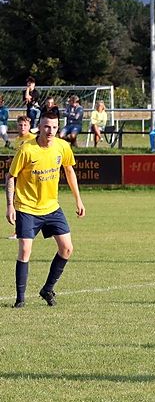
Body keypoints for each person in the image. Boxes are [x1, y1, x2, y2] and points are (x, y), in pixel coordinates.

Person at [6, 112, 85, 308]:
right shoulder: (26, 149)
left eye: (54, 127)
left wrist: (78, 200)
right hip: (27, 207)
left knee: (67, 248)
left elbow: (69, 170)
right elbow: (10, 177)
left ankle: (47, 289)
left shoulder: (62, 146)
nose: (50, 131)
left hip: (51, 207)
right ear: (39, 127)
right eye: (47, 126)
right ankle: (20, 300)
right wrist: (10, 205)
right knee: (25, 250)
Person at [5, 116, 35, 240]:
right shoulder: (17, 140)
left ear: (29, 126)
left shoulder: (33, 139)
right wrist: (11, 161)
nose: (22, 127)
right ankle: (18, 231)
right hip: (20, 177)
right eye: (20, 125)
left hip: (31, 177)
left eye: (25, 125)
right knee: (19, 203)